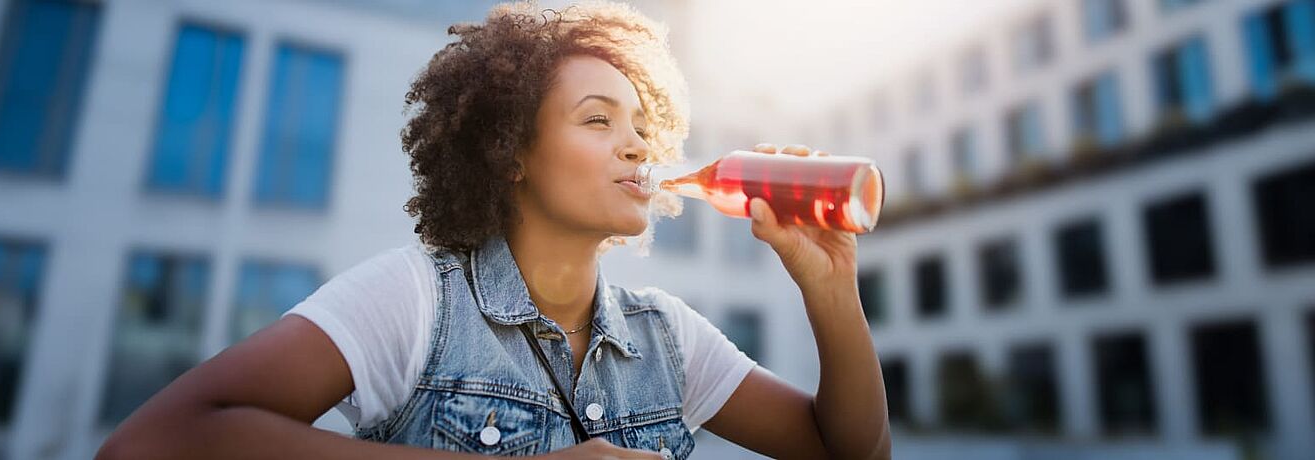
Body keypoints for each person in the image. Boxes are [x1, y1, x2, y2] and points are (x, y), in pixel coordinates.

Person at [97, 1, 890, 458]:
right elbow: (157, 442)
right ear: (511, 152)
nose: (638, 144)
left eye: (644, 126)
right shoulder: (415, 302)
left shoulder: (667, 338)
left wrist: (831, 290)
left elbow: (848, 453)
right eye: (597, 119)